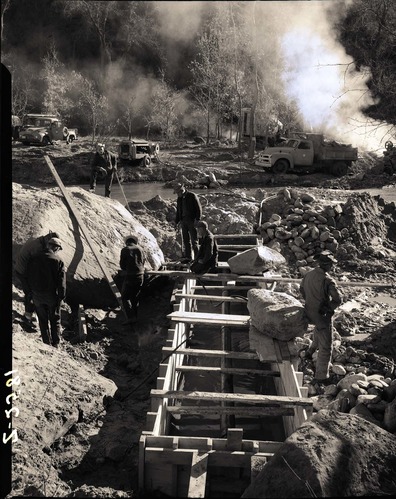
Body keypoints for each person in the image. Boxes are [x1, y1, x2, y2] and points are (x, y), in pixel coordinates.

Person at [299, 251, 342, 384]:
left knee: (319, 329)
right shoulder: (328, 280)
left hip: (309, 312)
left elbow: (301, 290)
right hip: (321, 315)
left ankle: (310, 351)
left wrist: (311, 302)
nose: (332, 267)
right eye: (331, 264)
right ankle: (321, 376)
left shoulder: (308, 274)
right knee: (326, 347)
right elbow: (338, 299)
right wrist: (327, 308)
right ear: (327, 265)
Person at [26, 237, 66, 348]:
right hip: (51, 296)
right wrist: (61, 297)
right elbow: (61, 282)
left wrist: (30, 293)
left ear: (48, 245)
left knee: (42, 320)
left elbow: (28, 276)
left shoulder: (34, 257)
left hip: (37, 295)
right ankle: (56, 343)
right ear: (56, 248)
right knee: (55, 319)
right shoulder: (58, 261)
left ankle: (46, 343)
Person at [14, 231, 60, 324]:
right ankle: (27, 316)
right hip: (23, 271)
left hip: (20, 267)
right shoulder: (37, 248)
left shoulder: (37, 239)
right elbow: (35, 267)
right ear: (47, 240)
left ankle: (31, 312)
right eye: (50, 245)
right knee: (31, 292)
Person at [119, 235, 146, 325]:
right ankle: (136, 317)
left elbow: (122, 265)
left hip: (130, 276)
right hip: (140, 275)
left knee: (125, 297)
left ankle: (131, 318)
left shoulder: (125, 250)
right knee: (135, 296)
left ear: (127, 242)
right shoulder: (140, 249)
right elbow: (143, 261)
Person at [174, 183, 202, 263]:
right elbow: (178, 211)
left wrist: (197, 219)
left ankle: (197, 257)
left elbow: (198, 208)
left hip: (192, 220)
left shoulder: (192, 196)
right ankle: (188, 257)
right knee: (186, 240)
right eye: (177, 193)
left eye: (178, 192)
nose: (177, 194)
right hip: (183, 221)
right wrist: (176, 222)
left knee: (194, 240)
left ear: (182, 190)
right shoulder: (179, 199)